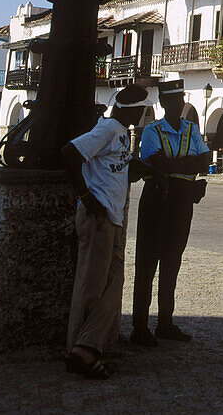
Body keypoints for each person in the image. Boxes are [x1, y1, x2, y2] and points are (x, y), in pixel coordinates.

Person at [61, 85, 152, 379]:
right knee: (90, 285)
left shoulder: (121, 134)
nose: (142, 115)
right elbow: (70, 153)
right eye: (141, 110)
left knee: (113, 281)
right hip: (98, 216)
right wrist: (87, 197)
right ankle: (79, 350)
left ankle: (87, 346)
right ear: (130, 110)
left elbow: (116, 167)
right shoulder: (108, 129)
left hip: (112, 218)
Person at [130, 79, 211, 347]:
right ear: (164, 104)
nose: (178, 105)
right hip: (157, 199)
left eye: (181, 101)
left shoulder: (191, 129)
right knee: (146, 264)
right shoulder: (153, 131)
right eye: (172, 101)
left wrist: (173, 166)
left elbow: (205, 161)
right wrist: (186, 165)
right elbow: (154, 162)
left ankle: (165, 322)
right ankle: (139, 326)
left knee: (172, 262)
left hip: (181, 202)